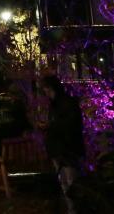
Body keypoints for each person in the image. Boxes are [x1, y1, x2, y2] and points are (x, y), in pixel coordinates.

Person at [40, 75, 84, 214]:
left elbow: (71, 125)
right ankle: (72, 210)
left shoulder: (67, 103)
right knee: (65, 183)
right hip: (58, 149)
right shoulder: (54, 105)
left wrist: (51, 126)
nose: (45, 91)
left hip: (67, 149)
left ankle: (75, 210)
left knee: (71, 183)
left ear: (52, 88)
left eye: (46, 88)